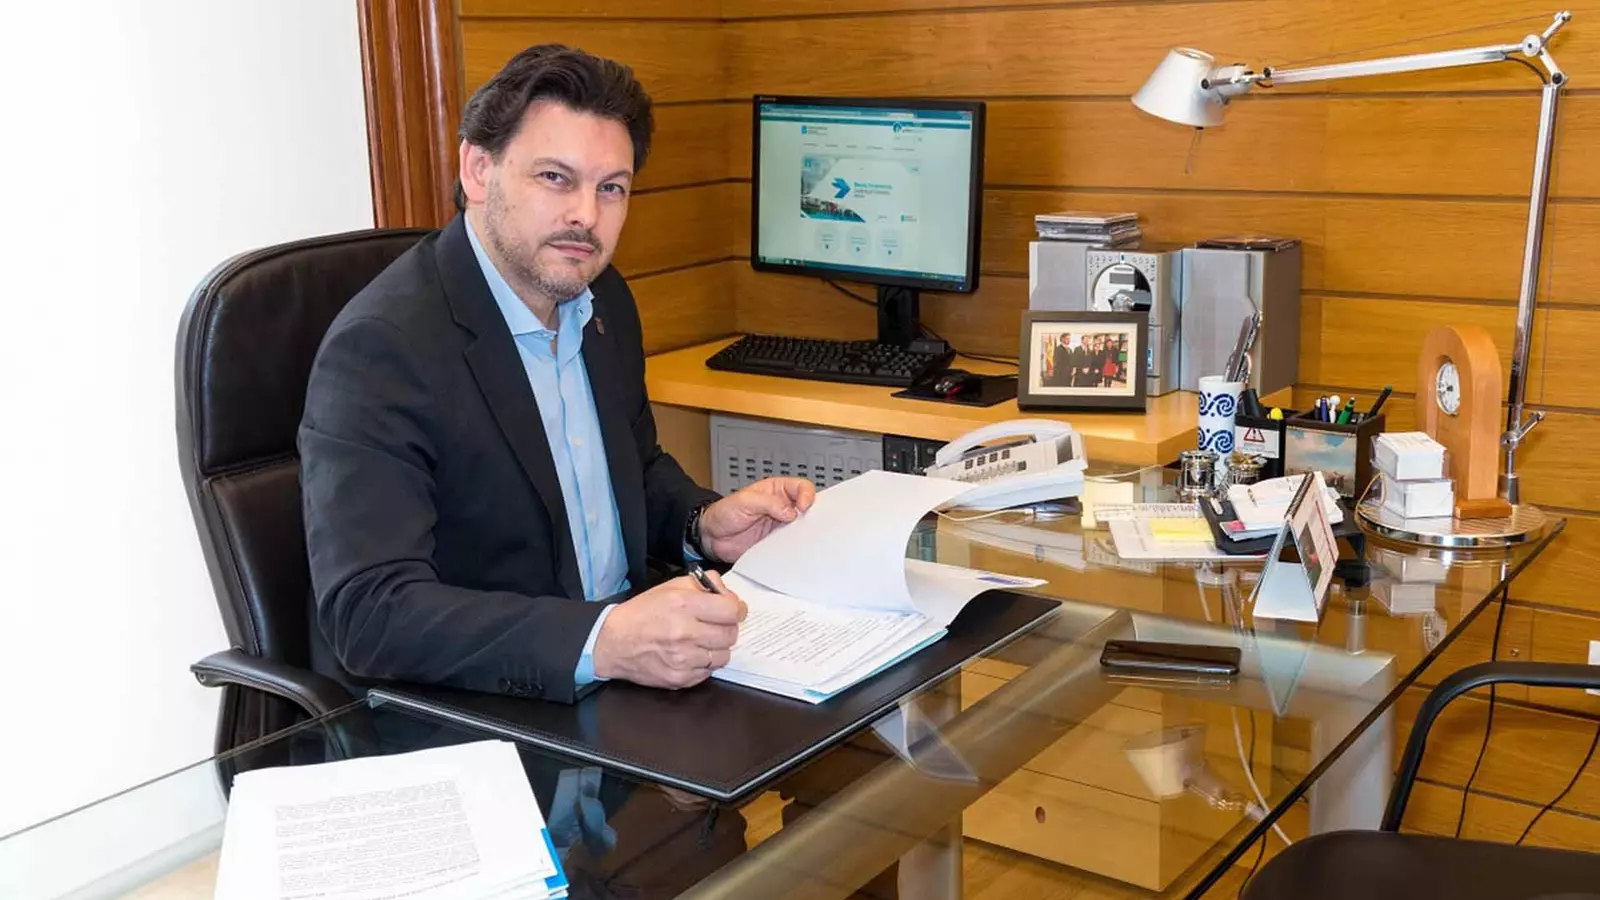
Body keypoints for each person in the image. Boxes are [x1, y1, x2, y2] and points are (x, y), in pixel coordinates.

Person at [299, 44, 816, 708]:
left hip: (627, 681)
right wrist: (603, 640)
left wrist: (702, 525)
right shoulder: (381, 349)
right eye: (555, 178)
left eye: (611, 188)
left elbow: (630, 470)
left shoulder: (603, 301)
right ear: (478, 169)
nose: (586, 216)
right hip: (485, 708)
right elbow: (371, 613)